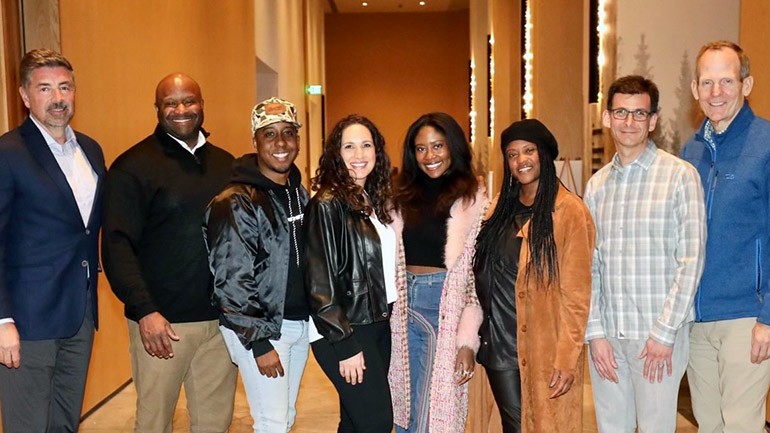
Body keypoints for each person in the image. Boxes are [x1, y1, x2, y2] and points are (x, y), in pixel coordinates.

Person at [101, 73, 237, 433]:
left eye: (189, 100)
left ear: (202, 104)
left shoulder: (227, 166)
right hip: (162, 326)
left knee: (215, 424)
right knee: (154, 423)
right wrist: (145, 311)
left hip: (220, 324)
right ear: (157, 109)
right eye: (170, 103)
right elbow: (117, 245)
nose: (181, 110)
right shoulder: (132, 167)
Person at [584, 75, 706, 433]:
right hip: (608, 337)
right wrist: (595, 333)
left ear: (653, 121)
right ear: (607, 117)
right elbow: (590, 265)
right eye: (621, 112)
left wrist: (664, 334)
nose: (629, 122)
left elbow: (691, 261)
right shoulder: (597, 186)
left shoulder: (680, 176)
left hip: (656, 337)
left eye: (639, 114)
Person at [0, 48, 104, 433]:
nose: (58, 98)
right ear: (26, 96)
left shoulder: (90, 151)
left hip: (79, 316)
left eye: (65, 87)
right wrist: (2, 319)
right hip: (27, 322)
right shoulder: (8, 153)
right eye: (45, 89)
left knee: (64, 424)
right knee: (27, 425)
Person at [472, 119, 594, 433]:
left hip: (541, 348)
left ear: (544, 154)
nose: (521, 160)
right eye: (512, 154)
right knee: (513, 426)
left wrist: (567, 358)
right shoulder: (499, 209)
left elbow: (577, 296)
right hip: (498, 345)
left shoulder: (569, 212)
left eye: (529, 151)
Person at [204, 97, 310, 433]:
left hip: (298, 325)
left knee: (285, 417)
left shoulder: (299, 193)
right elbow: (231, 278)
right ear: (255, 142)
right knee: (271, 423)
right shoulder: (235, 200)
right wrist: (260, 342)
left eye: (288, 133)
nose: (281, 144)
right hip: (260, 329)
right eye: (269, 135)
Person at [680, 40, 770, 433]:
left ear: (746, 85)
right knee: (709, 425)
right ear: (695, 90)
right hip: (698, 319)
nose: (716, 93)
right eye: (707, 82)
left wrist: (768, 317)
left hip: (747, 319)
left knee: (741, 427)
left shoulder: (766, 144)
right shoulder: (690, 151)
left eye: (727, 81)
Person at [389, 112, 487, 433]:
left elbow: (474, 281)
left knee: (430, 410)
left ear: (453, 147)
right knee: (402, 402)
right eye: (421, 149)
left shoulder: (473, 200)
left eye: (438, 146)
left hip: (441, 306)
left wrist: (467, 342)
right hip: (400, 309)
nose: (429, 156)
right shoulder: (399, 197)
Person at [304, 114, 396, 433]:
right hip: (344, 329)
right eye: (349, 146)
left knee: (356, 423)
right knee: (378, 423)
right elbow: (319, 285)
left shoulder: (371, 200)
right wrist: (345, 344)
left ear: (377, 152)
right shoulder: (327, 204)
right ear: (335, 154)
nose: (359, 154)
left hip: (376, 324)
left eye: (366, 145)